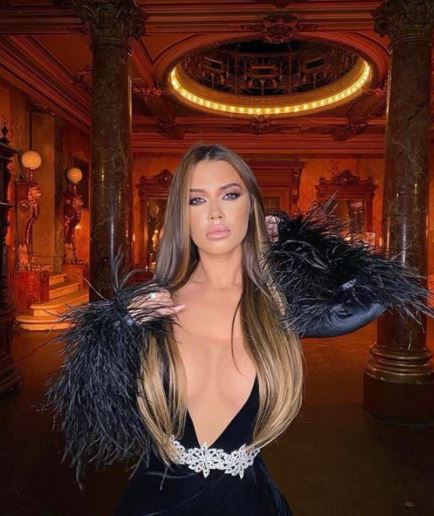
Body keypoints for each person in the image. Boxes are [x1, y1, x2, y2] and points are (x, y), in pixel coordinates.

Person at [45, 143, 434, 515]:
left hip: (250, 502)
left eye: (230, 195)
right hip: (154, 503)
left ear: (253, 208)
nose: (215, 213)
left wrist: (296, 239)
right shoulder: (150, 307)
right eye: (196, 200)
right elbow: (87, 411)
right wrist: (116, 330)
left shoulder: (278, 305)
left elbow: (378, 289)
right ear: (181, 216)